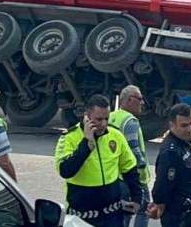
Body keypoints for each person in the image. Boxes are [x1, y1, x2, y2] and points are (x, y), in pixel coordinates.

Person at [55, 94, 144, 227]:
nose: (103, 124)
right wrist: (86, 144)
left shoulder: (115, 135)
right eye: (98, 119)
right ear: (87, 117)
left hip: (112, 216)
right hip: (81, 218)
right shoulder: (69, 137)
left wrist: (137, 198)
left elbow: (129, 168)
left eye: (106, 118)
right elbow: (65, 171)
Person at [147, 103, 191, 227]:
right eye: (184, 125)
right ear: (171, 125)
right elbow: (163, 183)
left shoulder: (182, 142)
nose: (190, 129)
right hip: (179, 216)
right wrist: (159, 203)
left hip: (190, 214)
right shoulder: (171, 151)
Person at [109, 86, 151, 227]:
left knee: (122, 211)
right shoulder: (130, 120)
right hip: (133, 176)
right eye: (139, 99)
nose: (142, 103)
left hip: (115, 174)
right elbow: (133, 146)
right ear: (129, 100)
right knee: (143, 209)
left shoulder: (112, 116)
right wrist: (141, 164)